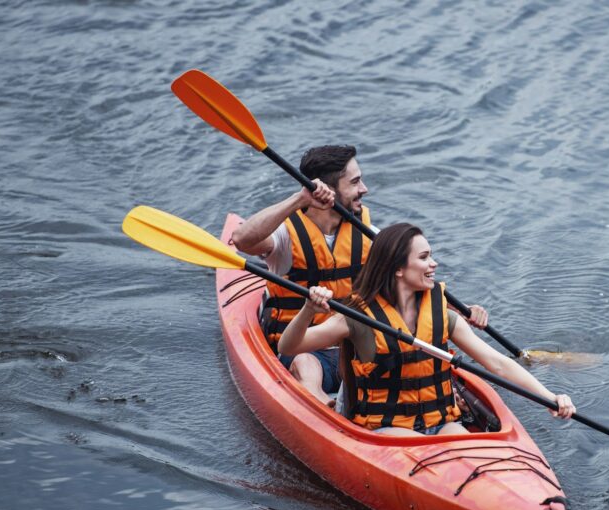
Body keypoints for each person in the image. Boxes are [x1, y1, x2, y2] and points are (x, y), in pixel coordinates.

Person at [228, 145, 488, 405]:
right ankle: (320, 404)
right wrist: (300, 199)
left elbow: (412, 281)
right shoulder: (285, 236)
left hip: (355, 343)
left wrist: (464, 311)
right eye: (354, 182)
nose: (364, 188)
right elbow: (241, 239)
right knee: (306, 363)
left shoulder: (367, 234)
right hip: (302, 344)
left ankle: (439, 397)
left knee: (408, 357)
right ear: (328, 189)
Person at [277, 223, 574, 436]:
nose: (433, 263)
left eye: (430, 255)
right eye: (423, 258)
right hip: (388, 430)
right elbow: (288, 348)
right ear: (397, 268)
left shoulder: (441, 316)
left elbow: (497, 362)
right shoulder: (358, 318)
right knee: (422, 449)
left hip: (443, 421)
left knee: (462, 444)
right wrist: (308, 311)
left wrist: (549, 397)